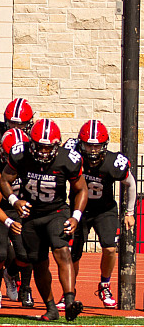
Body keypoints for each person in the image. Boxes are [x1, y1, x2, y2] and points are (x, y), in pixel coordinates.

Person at [0, 119, 87, 321]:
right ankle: (51, 308)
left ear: (57, 145)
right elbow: (4, 180)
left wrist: (75, 216)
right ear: (32, 144)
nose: (44, 152)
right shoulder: (20, 153)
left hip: (56, 211)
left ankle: (70, 301)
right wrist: (14, 201)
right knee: (39, 263)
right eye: (40, 147)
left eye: (48, 148)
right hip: (30, 215)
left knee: (62, 250)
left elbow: (81, 189)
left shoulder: (68, 159)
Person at [64, 120, 133, 309]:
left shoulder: (112, 162)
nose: (93, 150)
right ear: (81, 143)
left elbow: (131, 183)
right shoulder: (73, 156)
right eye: (88, 145)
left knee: (110, 248)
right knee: (73, 252)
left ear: (104, 145)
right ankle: (69, 292)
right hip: (79, 211)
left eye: (96, 146)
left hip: (104, 210)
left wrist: (130, 212)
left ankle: (104, 285)